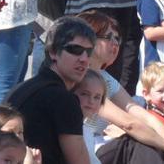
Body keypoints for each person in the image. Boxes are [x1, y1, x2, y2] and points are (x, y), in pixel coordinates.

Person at [73, 9, 164, 162]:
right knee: (137, 141)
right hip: (82, 151)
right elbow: (129, 124)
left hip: (98, 147)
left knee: (150, 139)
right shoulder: (82, 79)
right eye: (109, 37)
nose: (115, 44)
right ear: (89, 39)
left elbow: (145, 117)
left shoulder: (106, 78)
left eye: (117, 39)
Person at [6, 15, 96, 164]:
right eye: (75, 49)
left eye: (89, 52)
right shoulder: (62, 99)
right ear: (53, 52)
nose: (84, 59)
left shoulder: (22, 88)